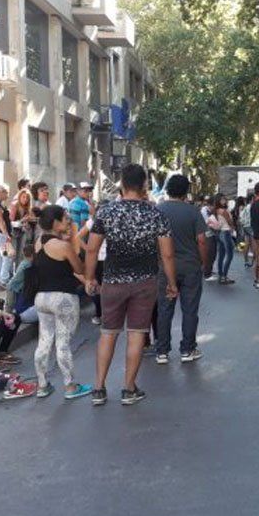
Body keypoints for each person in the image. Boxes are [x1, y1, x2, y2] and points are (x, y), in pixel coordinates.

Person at [84, 164, 178, 407]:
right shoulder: (156, 214)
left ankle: (98, 388)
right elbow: (167, 254)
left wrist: (90, 277)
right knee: (137, 333)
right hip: (145, 282)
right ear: (145, 185)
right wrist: (171, 282)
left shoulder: (106, 212)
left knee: (108, 333)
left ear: (122, 185)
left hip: (113, 281)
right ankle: (128, 389)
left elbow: (92, 249)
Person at [31, 205, 93, 400]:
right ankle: (70, 386)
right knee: (63, 343)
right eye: (66, 218)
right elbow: (80, 269)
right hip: (63, 298)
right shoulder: (63, 246)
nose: (69, 221)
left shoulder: (38, 242)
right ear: (56, 222)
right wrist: (73, 238)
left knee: (44, 341)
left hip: (42, 298)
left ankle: (42, 385)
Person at [154, 174, 207, 364]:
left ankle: (162, 351)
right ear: (186, 191)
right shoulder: (193, 212)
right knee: (190, 309)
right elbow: (201, 240)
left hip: (164, 268)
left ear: (168, 189)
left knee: (164, 309)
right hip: (190, 266)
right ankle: (187, 349)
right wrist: (203, 262)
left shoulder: (158, 210)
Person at [6, 244, 38, 324]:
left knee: (12, 304)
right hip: (13, 287)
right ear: (33, 255)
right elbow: (19, 277)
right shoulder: (27, 265)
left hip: (16, 287)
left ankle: (9, 317)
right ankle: (7, 318)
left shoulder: (24, 262)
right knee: (10, 305)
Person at [213, 193, 236, 285]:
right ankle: (224, 276)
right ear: (218, 201)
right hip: (226, 232)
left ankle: (221, 275)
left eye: (224, 199)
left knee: (221, 255)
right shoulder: (224, 211)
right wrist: (233, 228)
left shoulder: (216, 210)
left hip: (219, 232)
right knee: (229, 255)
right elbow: (230, 221)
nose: (224, 201)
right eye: (222, 199)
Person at [9, 188, 35, 267]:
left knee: (21, 254)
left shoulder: (28, 207)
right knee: (12, 255)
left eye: (27, 198)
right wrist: (22, 221)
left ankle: (18, 270)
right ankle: (9, 273)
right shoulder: (14, 205)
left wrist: (28, 222)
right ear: (19, 197)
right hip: (14, 233)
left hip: (23, 232)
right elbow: (10, 222)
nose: (25, 199)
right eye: (23, 197)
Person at [201, 196, 218, 280]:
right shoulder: (204, 211)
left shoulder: (208, 211)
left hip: (211, 234)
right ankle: (207, 273)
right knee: (209, 254)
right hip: (207, 234)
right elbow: (207, 223)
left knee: (212, 253)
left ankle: (208, 270)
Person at [238, 194, 254, 267]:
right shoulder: (251, 207)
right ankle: (253, 262)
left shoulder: (244, 207)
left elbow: (240, 218)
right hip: (250, 226)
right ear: (252, 199)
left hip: (244, 226)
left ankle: (246, 261)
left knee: (246, 244)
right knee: (253, 244)